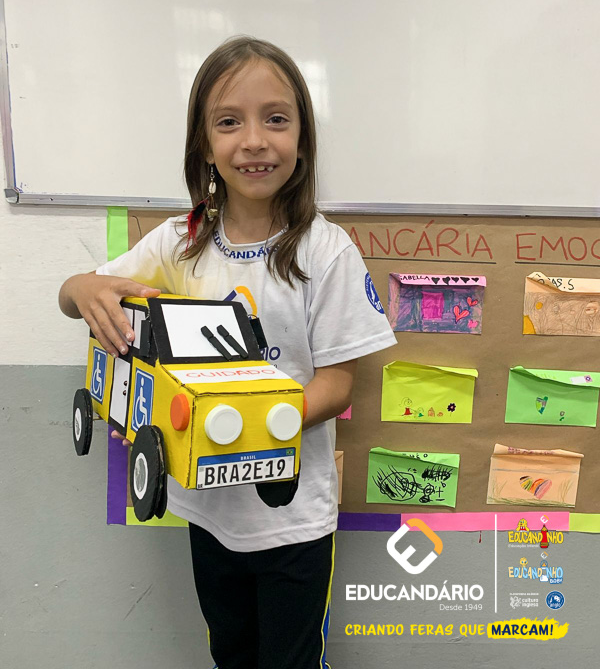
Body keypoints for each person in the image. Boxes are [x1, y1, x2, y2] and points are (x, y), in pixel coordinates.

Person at [59, 36, 396, 669]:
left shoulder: (326, 252)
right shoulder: (180, 242)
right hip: (208, 513)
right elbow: (75, 298)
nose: (254, 140)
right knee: (231, 654)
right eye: (229, 122)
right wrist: (80, 287)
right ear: (204, 145)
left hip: (293, 519)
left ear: (302, 138)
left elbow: (338, 385)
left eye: (277, 119)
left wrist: (247, 427)